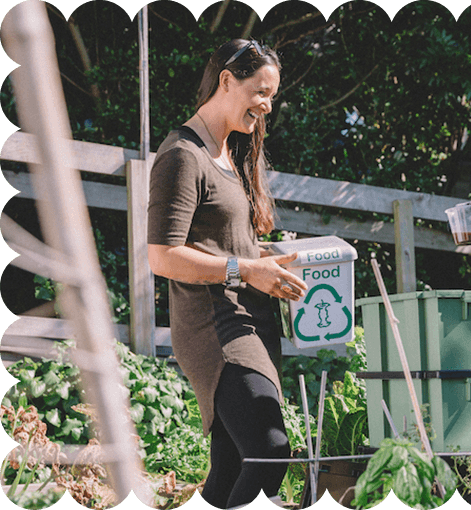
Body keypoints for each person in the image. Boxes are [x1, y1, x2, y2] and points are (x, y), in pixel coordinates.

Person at [147, 39, 308, 509]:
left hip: (247, 318)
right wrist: (244, 269)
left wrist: (265, 260)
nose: (268, 105)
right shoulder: (183, 155)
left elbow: (223, 243)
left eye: (272, 95)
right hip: (214, 326)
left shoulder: (226, 155)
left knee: (232, 469)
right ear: (226, 80)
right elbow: (162, 256)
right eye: (261, 91)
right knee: (271, 452)